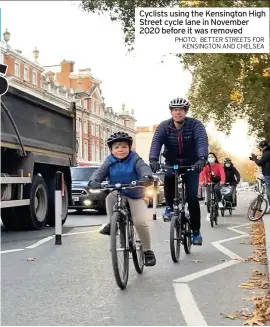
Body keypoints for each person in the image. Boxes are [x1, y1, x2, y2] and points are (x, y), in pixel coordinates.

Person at [88, 132, 156, 267]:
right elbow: (99, 172)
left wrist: (146, 177)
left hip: (136, 194)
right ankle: (111, 224)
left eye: (124, 147)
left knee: (139, 222)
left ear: (129, 148)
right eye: (117, 147)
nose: (120, 150)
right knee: (109, 198)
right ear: (112, 150)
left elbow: (143, 168)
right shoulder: (109, 161)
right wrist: (94, 181)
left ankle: (148, 251)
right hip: (119, 192)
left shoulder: (135, 159)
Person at [149, 97, 208, 246]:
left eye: (180, 110)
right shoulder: (164, 126)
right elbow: (156, 142)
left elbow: (201, 141)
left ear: (185, 111)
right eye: (175, 110)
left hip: (192, 163)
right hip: (172, 161)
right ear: (171, 112)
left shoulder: (195, 125)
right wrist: (153, 159)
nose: (177, 112)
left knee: (192, 198)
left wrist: (201, 159)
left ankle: (196, 232)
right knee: (168, 176)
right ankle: (169, 207)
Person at [199, 153, 226, 221]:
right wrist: (201, 181)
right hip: (208, 183)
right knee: (208, 199)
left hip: (217, 182)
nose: (210, 158)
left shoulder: (219, 165)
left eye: (212, 157)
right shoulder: (206, 166)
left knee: (216, 189)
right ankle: (209, 212)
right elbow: (202, 173)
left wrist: (222, 181)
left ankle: (219, 201)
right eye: (209, 157)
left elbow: (222, 173)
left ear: (215, 158)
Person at [250, 140, 270, 211]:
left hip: (268, 174)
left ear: (263, 147)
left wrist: (254, 158)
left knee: (268, 192)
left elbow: (260, 163)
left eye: (260, 148)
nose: (260, 149)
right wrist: (255, 159)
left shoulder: (267, 152)